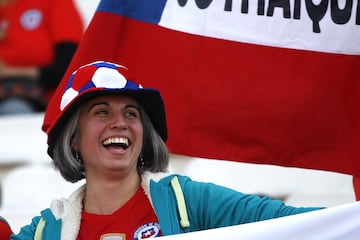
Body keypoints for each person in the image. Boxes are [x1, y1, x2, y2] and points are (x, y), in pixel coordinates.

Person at [10, 61, 321, 239]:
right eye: (102, 112)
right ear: (73, 138)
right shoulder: (44, 231)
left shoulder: (189, 200)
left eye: (131, 114)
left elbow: (296, 226)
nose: (120, 123)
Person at [0, 0, 84, 115]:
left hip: (40, 100)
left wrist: (11, 72)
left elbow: (70, 69)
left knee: (14, 110)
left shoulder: (54, 3)